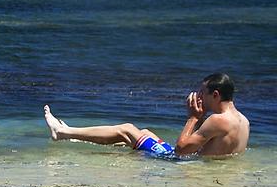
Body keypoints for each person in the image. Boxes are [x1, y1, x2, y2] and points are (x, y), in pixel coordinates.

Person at [43, 73, 249, 157]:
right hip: (200, 166)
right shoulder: (243, 121)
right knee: (144, 133)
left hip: (180, 163)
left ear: (215, 94)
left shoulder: (217, 120)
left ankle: (62, 132)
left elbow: (180, 150)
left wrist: (193, 118)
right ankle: (78, 138)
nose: (199, 97)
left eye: (202, 93)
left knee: (127, 129)